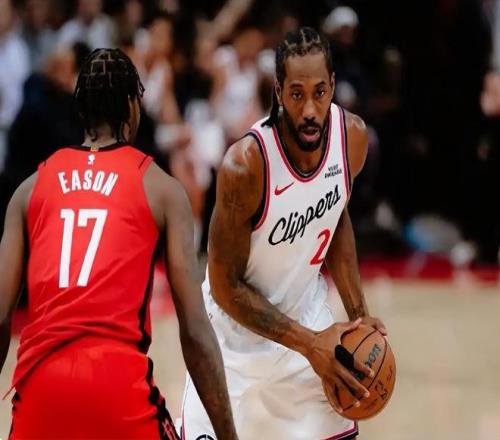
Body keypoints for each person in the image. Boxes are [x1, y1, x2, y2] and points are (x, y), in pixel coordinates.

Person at [0, 48, 237, 440]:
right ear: (132, 107)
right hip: (117, 388)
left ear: (80, 109)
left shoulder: (28, 190)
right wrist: (228, 434)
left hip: (40, 393)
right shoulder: (162, 189)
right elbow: (196, 332)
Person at [181, 27, 387, 440]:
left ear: (332, 87)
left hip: (305, 320)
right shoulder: (245, 166)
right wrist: (310, 344)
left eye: (319, 92)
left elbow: (336, 214)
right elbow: (224, 287)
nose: (309, 109)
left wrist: (358, 314)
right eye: (296, 94)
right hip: (231, 341)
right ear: (277, 92)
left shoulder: (351, 139)